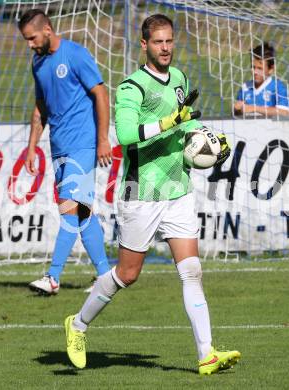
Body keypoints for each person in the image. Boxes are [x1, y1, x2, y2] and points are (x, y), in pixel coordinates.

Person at [64, 14, 240, 375]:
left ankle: (207, 354)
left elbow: (185, 120)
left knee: (191, 271)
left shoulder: (179, 78)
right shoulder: (132, 87)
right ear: (144, 45)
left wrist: (206, 135)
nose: (166, 48)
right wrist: (169, 122)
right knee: (127, 275)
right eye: (158, 42)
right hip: (140, 192)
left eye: (170, 41)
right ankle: (78, 324)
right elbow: (126, 135)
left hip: (178, 189)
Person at [18, 9, 112, 295]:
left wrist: (103, 139)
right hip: (58, 147)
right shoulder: (38, 63)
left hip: (83, 145)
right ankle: (106, 274)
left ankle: (53, 277)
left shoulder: (75, 54)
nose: (30, 44)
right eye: (26, 39)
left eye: (32, 38)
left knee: (69, 209)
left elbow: (101, 94)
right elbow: (41, 108)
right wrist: (32, 147)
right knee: (82, 213)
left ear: (47, 29)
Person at [234, 42, 289, 117]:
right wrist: (236, 110)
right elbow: (237, 115)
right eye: (253, 67)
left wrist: (255, 108)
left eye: (260, 68)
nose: (255, 72)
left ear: (271, 69)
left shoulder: (277, 87)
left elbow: (284, 112)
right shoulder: (245, 87)